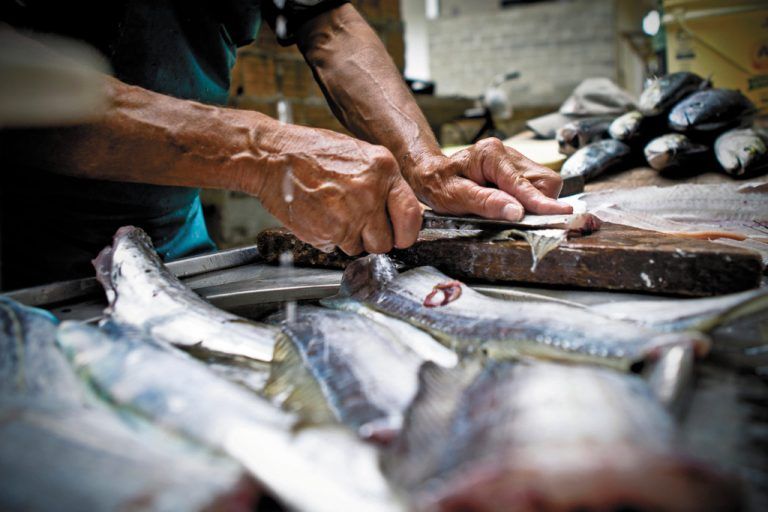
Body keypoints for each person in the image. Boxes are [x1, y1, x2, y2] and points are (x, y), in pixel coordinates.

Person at [0, 1, 571, 290]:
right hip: (21, 265)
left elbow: (327, 22)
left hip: (174, 241)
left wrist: (423, 161)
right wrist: (263, 153)